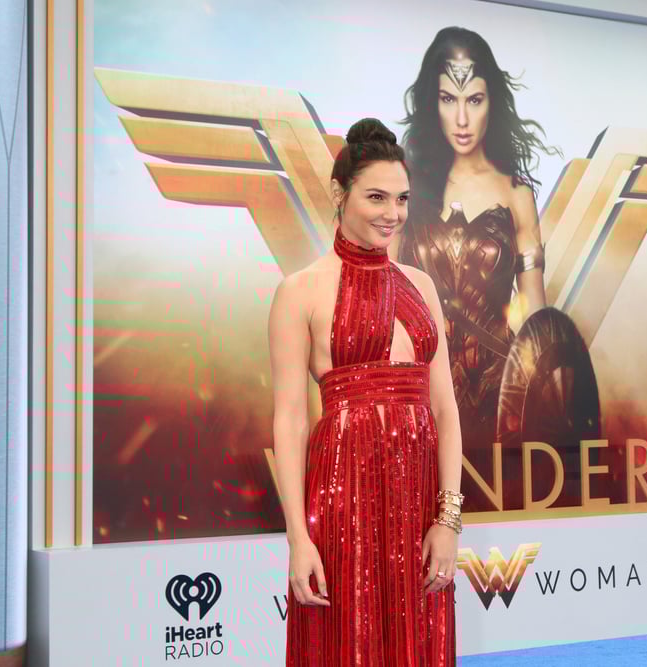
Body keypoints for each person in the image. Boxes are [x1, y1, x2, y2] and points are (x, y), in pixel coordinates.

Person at [269, 118, 462, 665]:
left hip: (419, 504)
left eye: (401, 199)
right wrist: (298, 538)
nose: (392, 214)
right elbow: (290, 421)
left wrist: (447, 521)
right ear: (339, 193)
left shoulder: (422, 286)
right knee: (345, 645)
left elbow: (445, 410)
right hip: (341, 503)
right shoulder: (299, 292)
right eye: (376, 197)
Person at [395, 26, 600, 512]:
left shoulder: (516, 192)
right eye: (448, 99)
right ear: (431, 102)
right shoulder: (407, 185)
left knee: (497, 518)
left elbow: (536, 321)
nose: (462, 119)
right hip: (420, 391)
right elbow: (389, 296)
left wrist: (551, 405)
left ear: (493, 102)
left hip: (498, 397)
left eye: (475, 99)